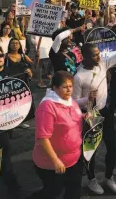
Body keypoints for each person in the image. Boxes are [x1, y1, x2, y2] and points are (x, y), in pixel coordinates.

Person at [73, 36, 116, 195]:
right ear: (85, 57)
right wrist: (87, 99)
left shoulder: (102, 64)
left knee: (112, 146)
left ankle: (109, 178)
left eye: (99, 54)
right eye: (95, 55)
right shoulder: (79, 76)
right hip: (90, 115)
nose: (99, 56)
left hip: (105, 112)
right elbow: (75, 101)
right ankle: (92, 180)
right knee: (91, 150)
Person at [0, 46, 31, 196]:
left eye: (0, 55)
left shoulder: (12, 74)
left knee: (2, 156)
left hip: (9, 122)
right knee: (2, 156)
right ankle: (12, 187)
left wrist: (27, 75)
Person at [31, 71, 84, 199]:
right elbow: (43, 138)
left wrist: (83, 117)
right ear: (55, 88)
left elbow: (72, 118)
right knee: (53, 192)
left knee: (74, 189)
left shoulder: (70, 101)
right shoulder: (47, 107)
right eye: (65, 87)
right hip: (53, 163)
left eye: (71, 86)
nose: (69, 90)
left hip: (74, 159)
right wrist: (55, 161)